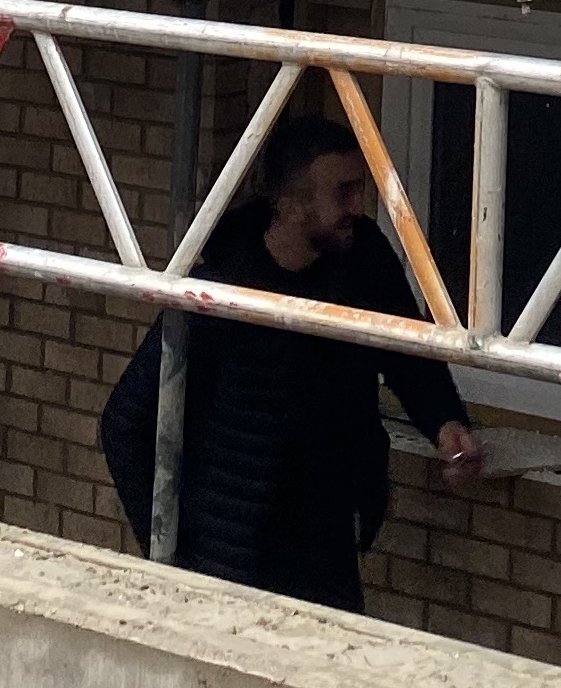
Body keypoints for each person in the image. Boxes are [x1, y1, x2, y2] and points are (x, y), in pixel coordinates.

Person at [100, 114, 486, 609]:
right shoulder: (221, 287)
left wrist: (445, 423)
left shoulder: (364, 260)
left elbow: (408, 354)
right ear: (291, 206)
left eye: (359, 189)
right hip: (231, 555)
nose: (358, 207)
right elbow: (124, 423)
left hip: (326, 546)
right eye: (342, 193)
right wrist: (168, 550)